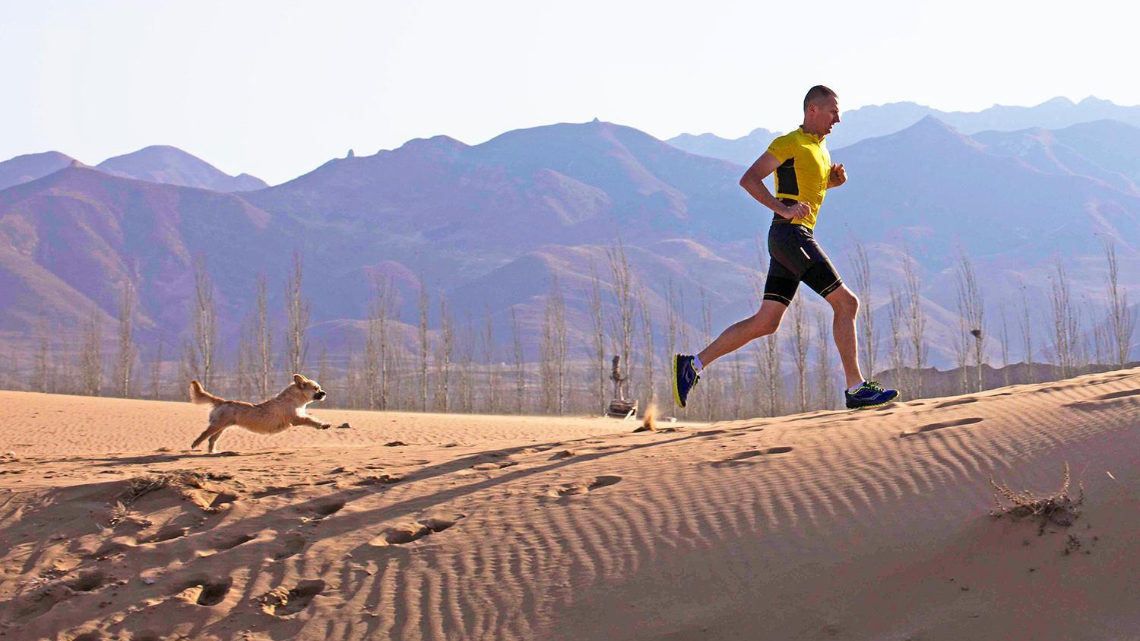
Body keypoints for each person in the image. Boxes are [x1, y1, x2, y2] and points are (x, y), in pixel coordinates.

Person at [672, 85, 898, 411]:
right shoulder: (789, 143)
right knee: (847, 304)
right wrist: (783, 208)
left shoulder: (820, 149)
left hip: (790, 238)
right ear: (813, 111)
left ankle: (691, 366)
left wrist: (831, 182)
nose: (838, 118)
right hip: (791, 236)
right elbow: (749, 178)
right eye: (833, 111)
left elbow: (807, 189)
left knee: (767, 321)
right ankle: (856, 387)